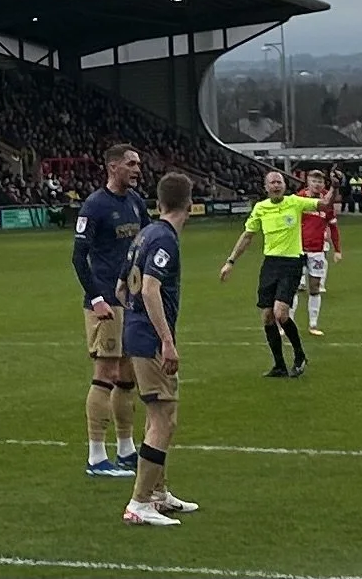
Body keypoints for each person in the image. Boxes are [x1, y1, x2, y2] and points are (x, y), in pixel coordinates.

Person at [120, 171, 199, 528]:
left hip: (137, 333)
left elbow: (122, 288)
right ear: (190, 203)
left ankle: (157, 493)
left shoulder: (144, 234)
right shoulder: (165, 239)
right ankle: (139, 503)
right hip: (150, 339)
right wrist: (165, 340)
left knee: (164, 416)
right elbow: (149, 289)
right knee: (162, 419)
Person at [72, 143, 146, 476]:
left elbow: (145, 243)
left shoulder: (135, 202)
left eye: (138, 164)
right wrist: (97, 298)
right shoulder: (94, 206)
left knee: (127, 377)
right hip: (106, 303)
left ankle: (127, 449)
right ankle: (96, 457)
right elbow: (78, 257)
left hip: (131, 301)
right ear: (112, 167)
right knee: (105, 375)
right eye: (131, 163)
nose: (137, 169)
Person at [217, 168, 317, 377]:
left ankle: (299, 355)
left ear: (284, 185)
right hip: (270, 263)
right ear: (266, 187)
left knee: (281, 313)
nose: (276, 185)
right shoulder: (260, 209)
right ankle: (279, 365)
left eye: (279, 182)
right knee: (267, 316)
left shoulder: (295, 202)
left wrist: (334, 187)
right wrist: (230, 261)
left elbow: (324, 203)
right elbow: (247, 236)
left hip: (291, 263)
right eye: (272, 182)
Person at [298, 168, 342, 336]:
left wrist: (337, 249)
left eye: (320, 181)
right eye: (314, 181)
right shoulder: (299, 199)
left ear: (324, 184)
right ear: (308, 182)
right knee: (294, 287)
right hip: (298, 249)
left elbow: (333, 226)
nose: (317, 184)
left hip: (317, 250)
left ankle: (313, 324)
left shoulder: (326, 202)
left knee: (315, 287)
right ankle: (288, 323)